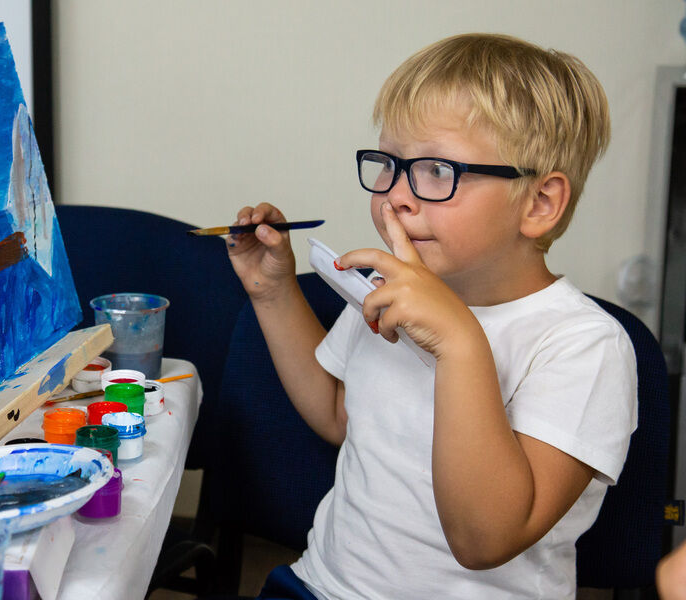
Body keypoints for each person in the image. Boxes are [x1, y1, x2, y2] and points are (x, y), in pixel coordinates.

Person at [226, 33, 637, 599]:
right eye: (389, 164)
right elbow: (340, 414)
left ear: (539, 203)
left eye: (437, 170)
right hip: (319, 585)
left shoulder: (582, 345)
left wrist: (460, 343)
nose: (396, 196)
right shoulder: (395, 287)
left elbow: (484, 541)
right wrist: (272, 292)